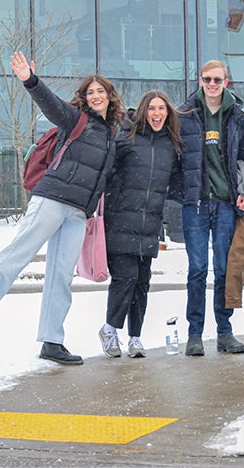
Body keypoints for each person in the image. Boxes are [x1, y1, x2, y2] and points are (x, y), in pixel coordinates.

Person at [0, 51, 124, 365]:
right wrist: (30, 80)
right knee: (20, 252)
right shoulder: (76, 119)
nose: (96, 96)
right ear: (85, 98)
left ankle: (52, 340)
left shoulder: (112, 135)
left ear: (110, 97)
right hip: (52, 199)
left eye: (101, 91)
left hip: (77, 213)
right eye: (91, 92)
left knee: (61, 276)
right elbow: (51, 104)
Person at [172, 59, 244, 356]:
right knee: (197, 269)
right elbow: (174, 158)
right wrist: (181, 191)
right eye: (207, 79)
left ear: (225, 82)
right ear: (200, 81)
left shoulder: (238, 116)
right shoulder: (184, 114)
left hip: (225, 203)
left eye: (217, 80)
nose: (212, 84)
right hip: (195, 204)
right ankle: (194, 334)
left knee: (223, 269)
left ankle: (224, 332)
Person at [99, 90, 182, 358]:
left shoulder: (171, 146)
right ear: (144, 111)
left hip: (150, 224)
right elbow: (106, 174)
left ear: (167, 113)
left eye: (162, 109)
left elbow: (177, 181)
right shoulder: (126, 138)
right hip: (120, 220)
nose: (157, 113)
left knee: (142, 282)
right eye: (152, 108)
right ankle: (109, 330)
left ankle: (135, 337)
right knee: (125, 277)